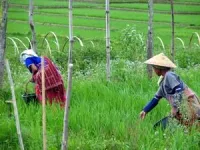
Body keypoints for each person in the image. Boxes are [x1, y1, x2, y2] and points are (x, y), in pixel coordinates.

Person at [140, 53, 200, 129]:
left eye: (154, 68)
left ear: (158, 68)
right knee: (189, 128)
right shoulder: (163, 83)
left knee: (194, 126)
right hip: (182, 107)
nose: (154, 70)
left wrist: (175, 107)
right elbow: (155, 99)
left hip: (189, 104)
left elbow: (179, 90)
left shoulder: (169, 75)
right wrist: (145, 110)